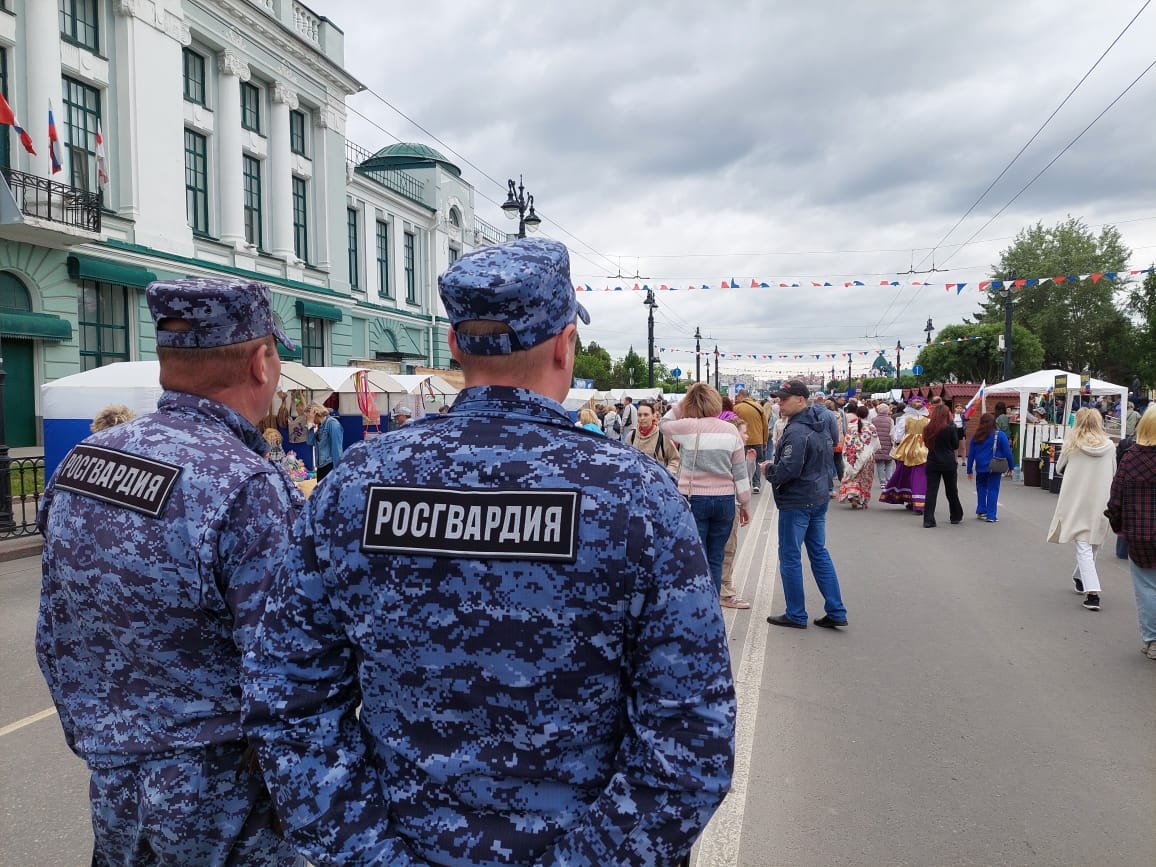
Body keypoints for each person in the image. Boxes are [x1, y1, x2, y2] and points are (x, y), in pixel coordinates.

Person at [242, 237, 736, 866]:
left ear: (455, 344)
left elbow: (288, 698)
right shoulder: (636, 495)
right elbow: (690, 734)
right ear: (564, 342)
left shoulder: (356, 485)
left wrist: (370, 856)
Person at [36, 277, 304, 865]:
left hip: (114, 782)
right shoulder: (245, 485)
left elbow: (55, 631)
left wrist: (107, 740)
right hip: (226, 802)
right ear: (261, 362)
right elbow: (285, 675)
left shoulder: (84, 461)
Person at [762, 379, 848, 629]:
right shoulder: (818, 423)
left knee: (790, 556)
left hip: (797, 500)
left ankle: (796, 614)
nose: (779, 403)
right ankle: (836, 609)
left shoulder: (797, 431)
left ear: (801, 399)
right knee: (819, 553)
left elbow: (789, 469)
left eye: (783, 399)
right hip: (818, 495)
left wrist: (769, 470)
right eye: (778, 399)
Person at [661, 382, 752, 593]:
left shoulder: (687, 427)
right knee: (716, 557)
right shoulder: (731, 431)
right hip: (725, 501)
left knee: (695, 558)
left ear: (691, 404)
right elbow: (740, 472)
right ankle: (715, 604)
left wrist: (683, 403)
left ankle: (696, 606)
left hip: (694, 499)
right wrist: (745, 503)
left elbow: (664, 423)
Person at [1047, 408, 1117, 611]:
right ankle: (1080, 578)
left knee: (1084, 546)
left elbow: (1059, 468)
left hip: (1077, 500)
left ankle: (1093, 593)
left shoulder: (1072, 444)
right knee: (1092, 543)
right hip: (1101, 500)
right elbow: (1113, 471)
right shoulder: (1110, 447)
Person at [1105, 405, 1156, 659]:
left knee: (1147, 587)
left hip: (1140, 534)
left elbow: (1116, 499)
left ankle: (1153, 639)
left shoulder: (1130, 458)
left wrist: (1119, 527)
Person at [719, 416, 753, 610]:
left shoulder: (723, 451)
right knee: (727, 549)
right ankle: (725, 592)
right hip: (729, 503)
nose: (747, 435)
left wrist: (750, 462)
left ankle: (717, 589)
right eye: (743, 432)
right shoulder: (735, 452)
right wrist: (744, 505)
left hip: (721, 502)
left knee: (718, 549)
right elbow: (741, 482)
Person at [880, 399, 930, 514]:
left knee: (904, 474)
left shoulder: (904, 419)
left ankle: (907, 498)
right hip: (923, 450)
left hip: (907, 450)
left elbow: (897, 437)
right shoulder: (927, 420)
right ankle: (919, 502)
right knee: (920, 476)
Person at [921, 403, 964, 528]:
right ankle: (955, 515)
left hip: (932, 461)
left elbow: (927, 444)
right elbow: (956, 445)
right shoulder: (951, 428)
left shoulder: (928, 428)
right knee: (951, 490)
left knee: (931, 491)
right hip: (948, 462)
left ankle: (928, 519)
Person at [966, 412, 1015, 522]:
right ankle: (991, 515)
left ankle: (981, 510)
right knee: (993, 489)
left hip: (980, 467)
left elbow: (971, 454)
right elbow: (1008, 452)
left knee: (981, 488)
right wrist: (1011, 466)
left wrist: (969, 469)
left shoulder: (976, 436)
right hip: (994, 467)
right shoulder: (1000, 435)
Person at [837, 404, 877, 509]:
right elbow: (875, 444)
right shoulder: (871, 427)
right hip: (867, 456)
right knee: (865, 478)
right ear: (867, 414)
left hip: (852, 456)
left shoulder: (851, 426)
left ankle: (853, 497)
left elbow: (847, 442)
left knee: (852, 477)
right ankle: (863, 500)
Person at [627, 399, 680, 474]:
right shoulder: (631, 436)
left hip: (658, 482)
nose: (642, 418)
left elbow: (675, 459)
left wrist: (667, 474)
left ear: (653, 416)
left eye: (646, 415)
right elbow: (626, 459)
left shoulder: (663, 436)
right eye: (639, 415)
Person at [734, 388, 769, 494]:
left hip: (742, 440)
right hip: (758, 439)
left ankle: (745, 485)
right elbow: (765, 426)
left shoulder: (736, 408)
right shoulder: (759, 407)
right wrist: (765, 440)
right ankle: (756, 484)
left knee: (742, 463)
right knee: (757, 462)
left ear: (741, 395)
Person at [306, 402, 344, 480]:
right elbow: (310, 442)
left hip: (330, 466)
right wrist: (310, 424)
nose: (308, 419)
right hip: (321, 466)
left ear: (315, 413)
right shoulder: (320, 426)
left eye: (308, 416)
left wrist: (337, 471)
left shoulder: (332, 424)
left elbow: (337, 449)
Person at [873, 402, 895, 488]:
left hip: (877, 445)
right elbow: (892, 434)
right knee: (889, 462)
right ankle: (889, 480)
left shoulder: (873, 420)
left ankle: (882, 482)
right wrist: (894, 444)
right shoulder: (890, 420)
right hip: (888, 444)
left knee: (880, 463)